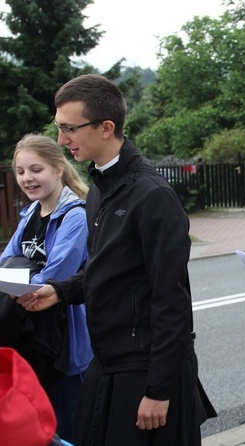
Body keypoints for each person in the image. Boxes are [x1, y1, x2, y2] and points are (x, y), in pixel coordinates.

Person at [14, 74, 215, 445]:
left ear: (107, 127)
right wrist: (59, 291)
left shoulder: (153, 197)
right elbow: (105, 269)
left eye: (70, 128)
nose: (61, 140)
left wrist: (159, 389)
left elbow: (171, 300)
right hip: (106, 363)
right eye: (59, 128)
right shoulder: (98, 191)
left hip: (146, 371)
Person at [0, 134, 92, 442]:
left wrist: (17, 278)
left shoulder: (75, 217)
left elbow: (55, 279)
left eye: (36, 169)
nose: (27, 178)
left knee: (66, 428)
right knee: (40, 430)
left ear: (57, 170)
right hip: (34, 339)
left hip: (64, 345)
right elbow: (4, 265)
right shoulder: (30, 215)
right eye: (21, 171)